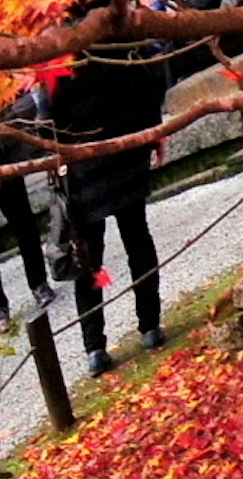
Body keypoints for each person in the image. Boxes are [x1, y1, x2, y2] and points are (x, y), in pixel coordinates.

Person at [44, 42, 168, 362]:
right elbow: (149, 86)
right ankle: (150, 326)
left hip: (84, 165)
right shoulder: (118, 38)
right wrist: (153, 136)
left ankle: (94, 347)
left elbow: (49, 118)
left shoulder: (57, 55)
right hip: (126, 149)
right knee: (138, 241)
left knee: (88, 257)